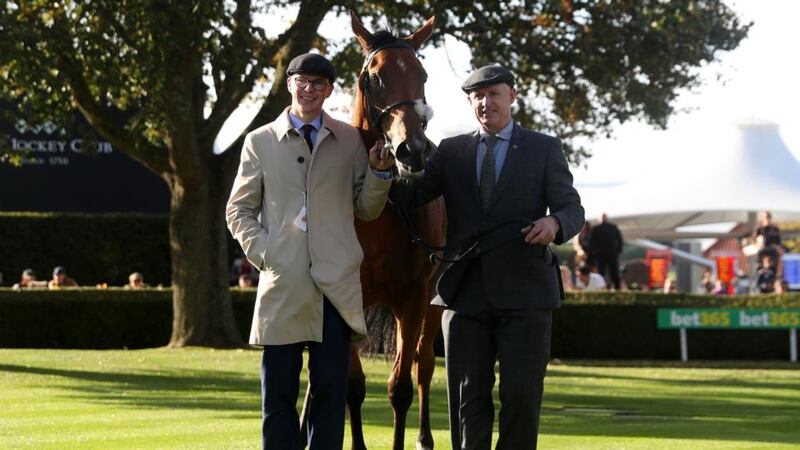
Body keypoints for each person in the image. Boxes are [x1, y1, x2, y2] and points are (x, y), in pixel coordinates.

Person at [392, 64, 584, 449]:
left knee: (521, 397)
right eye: (478, 96)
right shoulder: (451, 151)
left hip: (527, 292)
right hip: (464, 294)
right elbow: (411, 196)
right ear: (470, 103)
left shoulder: (544, 148)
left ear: (512, 96)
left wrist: (555, 224)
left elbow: (572, 208)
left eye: (494, 94)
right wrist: (382, 171)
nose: (486, 102)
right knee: (467, 399)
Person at [225, 53, 393, 450]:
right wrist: (268, 254)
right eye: (302, 80)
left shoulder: (350, 140)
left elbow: (366, 208)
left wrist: (380, 174)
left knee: (332, 394)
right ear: (289, 84)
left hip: (335, 287)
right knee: (278, 395)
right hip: (283, 284)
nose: (310, 89)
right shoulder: (259, 141)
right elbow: (239, 209)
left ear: (330, 90)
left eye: (319, 83)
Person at [589, 213, 623, 290]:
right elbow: (620, 241)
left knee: (602, 273)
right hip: (611, 253)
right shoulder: (613, 227)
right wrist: (618, 251)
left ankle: (603, 289)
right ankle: (617, 289)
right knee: (614, 273)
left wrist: (594, 252)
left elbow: (591, 242)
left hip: (601, 254)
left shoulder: (596, 228)